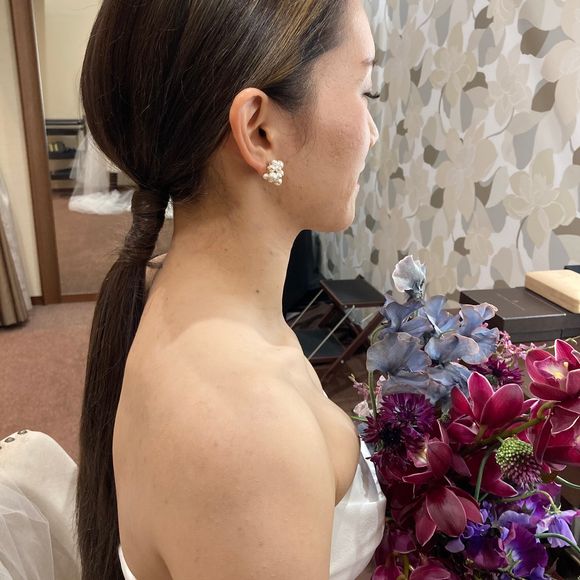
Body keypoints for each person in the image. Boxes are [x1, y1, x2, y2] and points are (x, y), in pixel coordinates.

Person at [76, 1, 384, 579]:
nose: (372, 132)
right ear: (260, 131)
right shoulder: (248, 432)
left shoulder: (180, 287)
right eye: (365, 90)